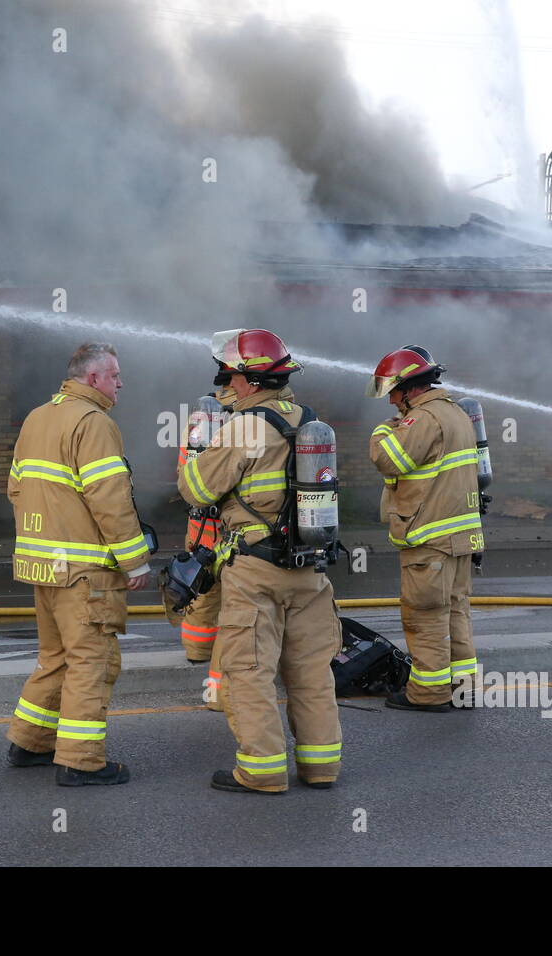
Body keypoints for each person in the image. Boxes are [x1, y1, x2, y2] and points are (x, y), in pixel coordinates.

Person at [177, 328, 343, 794]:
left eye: (230, 376)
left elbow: (197, 490)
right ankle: (321, 768)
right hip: (309, 570)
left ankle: (262, 770)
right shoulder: (310, 421)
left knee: (248, 671)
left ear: (250, 381)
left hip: (256, 569)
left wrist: (196, 452)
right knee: (311, 672)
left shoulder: (243, 427)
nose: (226, 386)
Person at [5, 342, 152, 786]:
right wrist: (134, 561)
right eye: (114, 376)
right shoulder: (94, 422)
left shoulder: (37, 417)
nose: (120, 383)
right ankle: (81, 761)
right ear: (93, 379)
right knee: (92, 661)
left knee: (55, 657)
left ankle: (29, 744)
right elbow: (110, 498)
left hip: (43, 566)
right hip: (84, 573)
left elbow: (15, 488)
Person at [367, 347, 484, 711]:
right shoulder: (457, 414)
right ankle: (465, 690)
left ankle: (429, 693)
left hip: (430, 539)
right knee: (455, 612)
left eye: (393, 391)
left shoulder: (424, 420)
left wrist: (383, 431)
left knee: (425, 618)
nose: (390, 401)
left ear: (409, 388)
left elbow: (389, 459)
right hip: (460, 539)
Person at [172, 387, 237, 712]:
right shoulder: (244, 423)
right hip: (231, 528)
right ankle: (221, 682)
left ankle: (197, 648)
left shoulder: (199, 421)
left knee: (201, 589)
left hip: (199, 527)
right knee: (236, 603)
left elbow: (184, 473)